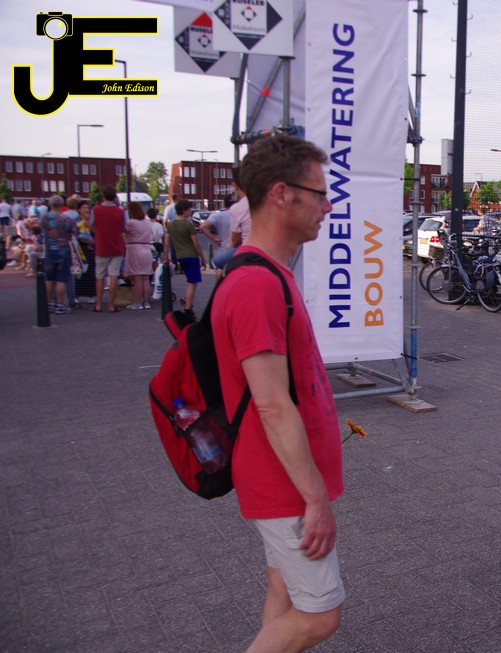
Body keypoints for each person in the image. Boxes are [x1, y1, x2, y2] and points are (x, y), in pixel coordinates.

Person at [211, 135, 344, 651]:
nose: (327, 206)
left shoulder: (271, 274)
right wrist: (314, 498)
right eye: (319, 193)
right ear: (282, 194)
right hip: (282, 481)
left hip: (282, 475)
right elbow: (271, 404)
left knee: (284, 593)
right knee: (320, 613)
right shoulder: (257, 285)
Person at [162, 199, 205, 317]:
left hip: (180, 256)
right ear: (184, 211)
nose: (190, 211)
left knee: (192, 281)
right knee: (192, 282)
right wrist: (202, 258)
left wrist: (166, 257)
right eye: (189, 209)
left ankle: (187, 299)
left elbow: (166, 242)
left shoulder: (171, 224)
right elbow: (195, 244)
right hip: (191, 255)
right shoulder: (188, 224)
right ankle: (188, 308)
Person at [41, 194, 78, 315]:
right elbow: (75, 232)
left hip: (49, 250)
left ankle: (48, 304)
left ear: (50, 204)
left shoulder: (44, 218)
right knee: (61, 279)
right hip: (63, 251)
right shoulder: (66, 219)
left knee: (49, 278)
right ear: (62, 204)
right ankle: (60, 305)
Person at [91, 186, 126, 313]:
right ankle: (111, 305)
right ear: (115, 196)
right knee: (114, 276)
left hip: (101, 246)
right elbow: (124, 228)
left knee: (100, 276)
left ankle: (98, 304)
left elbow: (91, 225)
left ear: (103, 196)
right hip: (116, 247)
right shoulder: (120, 212)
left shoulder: (96, 210)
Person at [123, 202, 155, 310]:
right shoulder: (147, 223)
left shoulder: (131, 223)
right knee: (145, 278)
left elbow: (123, 232)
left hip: (134, 248)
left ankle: (137, 302)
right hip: (146, 248)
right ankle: (146, 302)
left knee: (137, 278)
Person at [200, 196, 234, 276]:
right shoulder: (244, 215)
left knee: (220, 273)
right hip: (240, 251)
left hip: (223, 250)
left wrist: (214, 238)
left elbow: (203, 227)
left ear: (224, 205)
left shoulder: (219, 215)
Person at [74, 199, 97, 303]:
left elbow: (95, 232)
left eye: (87, 208)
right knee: (79, 271)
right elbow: (74, 233)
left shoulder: (92, 220)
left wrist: (91, 228)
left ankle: (90, 294)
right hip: (80, 247)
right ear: (79, 209)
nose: (86, 210)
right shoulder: (76, 220)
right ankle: (77, 295)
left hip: (90, 247)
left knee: (90, 271)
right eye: (84, 208)